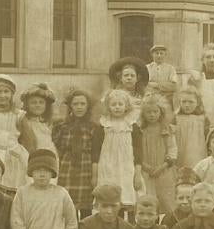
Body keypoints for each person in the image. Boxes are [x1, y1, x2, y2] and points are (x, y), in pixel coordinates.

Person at [53, 89, 102, 218]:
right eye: (75, 104)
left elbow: (96, 153)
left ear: (88, 106)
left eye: (82, 104)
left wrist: (95, 176)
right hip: (67, 168)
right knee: (68, 208)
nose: (79, 107)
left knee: (86, 209)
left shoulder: (94, 127)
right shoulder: (62, 126)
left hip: (86, 168)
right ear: (70, 106)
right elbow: (57, 148)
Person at [97, 89, 144, 217]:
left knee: (128, 198)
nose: (117, 107)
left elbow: (139, 151)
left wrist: (138, 173)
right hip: (108, 166)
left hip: (126, 166)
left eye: (120, 104)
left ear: (126, 106)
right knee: (112, 199)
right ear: (108, 106)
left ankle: (131, 226)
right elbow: (96, 149)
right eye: (113, 104)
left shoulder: (131, 125)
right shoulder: (104, 124)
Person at [139, 93, 178, 215]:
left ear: (161, 112)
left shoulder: (166, 129)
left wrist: (163, 166)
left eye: (155, 111)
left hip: (164, 170)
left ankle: (169, 223)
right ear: (143, 114)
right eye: (148, 112)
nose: (152, 115)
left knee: (167, 202)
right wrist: (144, 166)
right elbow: (136, 151)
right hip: (146, 171)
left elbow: (172, 149)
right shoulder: (140, 131)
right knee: (148, 201)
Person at [18, 83, 57, 157]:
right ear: (27, 105)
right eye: (33, 102)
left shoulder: (47, 124)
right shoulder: (23, 123)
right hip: (31, 158)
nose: (38, 105)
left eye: (41, 102)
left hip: (49, 157)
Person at [173, 87, 208, 169]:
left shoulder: (203, 118)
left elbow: (207, 136)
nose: (187, 105)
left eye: (191, 102)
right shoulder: (175, 118)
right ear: (179, 102)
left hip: (197, 151)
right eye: (184, 102)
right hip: (180, 149)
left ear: (198, 103)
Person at [108, 57, 150, 122]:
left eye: (132, 75)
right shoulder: (113, 95)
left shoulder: (145, 95)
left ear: (137, 79)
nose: (129, 78)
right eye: (126, 75)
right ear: (120, 78)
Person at [146, 45, 179, 110]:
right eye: (157, 53)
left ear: (165, 55)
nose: (159, 55)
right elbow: (144, 84)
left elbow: (174, 86)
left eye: (161, 53)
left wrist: (157, 85)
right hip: (150, 100)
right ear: (152, 55)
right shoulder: (147, 68)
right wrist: (165, 86)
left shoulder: (171, 69)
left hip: (166, 100)